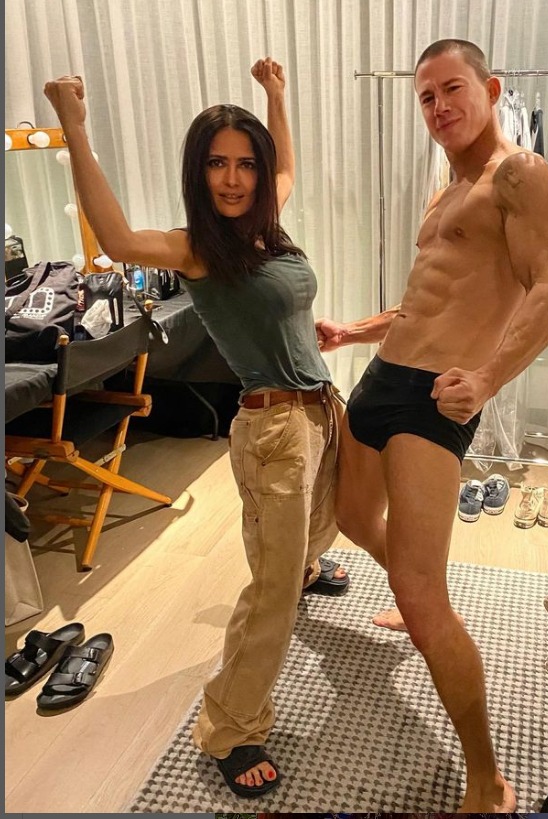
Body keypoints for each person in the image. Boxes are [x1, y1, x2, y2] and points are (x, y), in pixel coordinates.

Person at [43, 58, 350, 798]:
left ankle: (307, 568)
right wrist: (73, 126)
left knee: (320, 521)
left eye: (245, 163)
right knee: (270, 592)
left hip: (316, 407)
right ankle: (230, 726)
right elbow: (116, 238)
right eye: (217, 164)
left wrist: (276, 96)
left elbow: (288, 166)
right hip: (273, 429)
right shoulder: (198, 248)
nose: (234, 179)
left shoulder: (266, 226)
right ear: (197, 171)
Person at [316, 39, 548, 812]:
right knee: (349, 516)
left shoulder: (520, 176)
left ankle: (485, 777)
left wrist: (487, 377)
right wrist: (353, 332)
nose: (438, 107)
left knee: (422, 594)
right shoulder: (445, 193)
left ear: (489, 88)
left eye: (452, 89)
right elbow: (423, 300)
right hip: (380, 378)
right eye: (425, 96)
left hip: (432, 398)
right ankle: (410, 582)